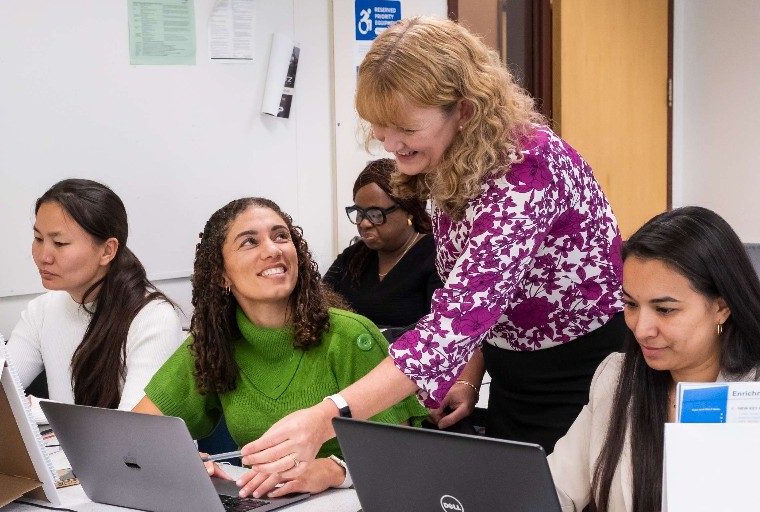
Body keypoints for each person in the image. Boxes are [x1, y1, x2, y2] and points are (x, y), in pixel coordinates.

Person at [238, 16, 626, 494]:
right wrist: (468, 376)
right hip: (511, 374)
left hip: (581, 376)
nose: (390, 142)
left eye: (404, 127)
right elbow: (482, 295)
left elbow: (457, 318)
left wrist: (326, 417)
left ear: (463, 110)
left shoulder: (524, 173)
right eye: (379, 127)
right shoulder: (452, 161)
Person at [132, 197, 427, 498]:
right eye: (249, 242)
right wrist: (179, 462)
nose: (273, 250)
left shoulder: (351, 336)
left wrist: (334, 470)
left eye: (281, 236)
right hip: (263, 503)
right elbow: (136, 434)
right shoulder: (213, 343)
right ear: (221, 274)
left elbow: (401, 455)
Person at [548, 206, 760, 512]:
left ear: (721, 307)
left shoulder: (750, 395)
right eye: (631, 304)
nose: (641, 329)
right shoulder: (617, 378)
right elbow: (555, 489)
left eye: (665, 310)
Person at [7, 179, 184, 412]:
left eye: (59, 243)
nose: (43, 256)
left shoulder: (153, 318)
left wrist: (38, 409)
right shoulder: (41, 310)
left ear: (107, 250)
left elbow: (134, 428)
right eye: (38, 239)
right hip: (67, 448)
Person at [323, 158, 442, 329]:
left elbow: (440, 329)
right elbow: (318, 302)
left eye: (375, 214)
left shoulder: (436, 255)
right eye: (359, 213)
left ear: (409, 211)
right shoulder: (354, 256)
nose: (364, 223)